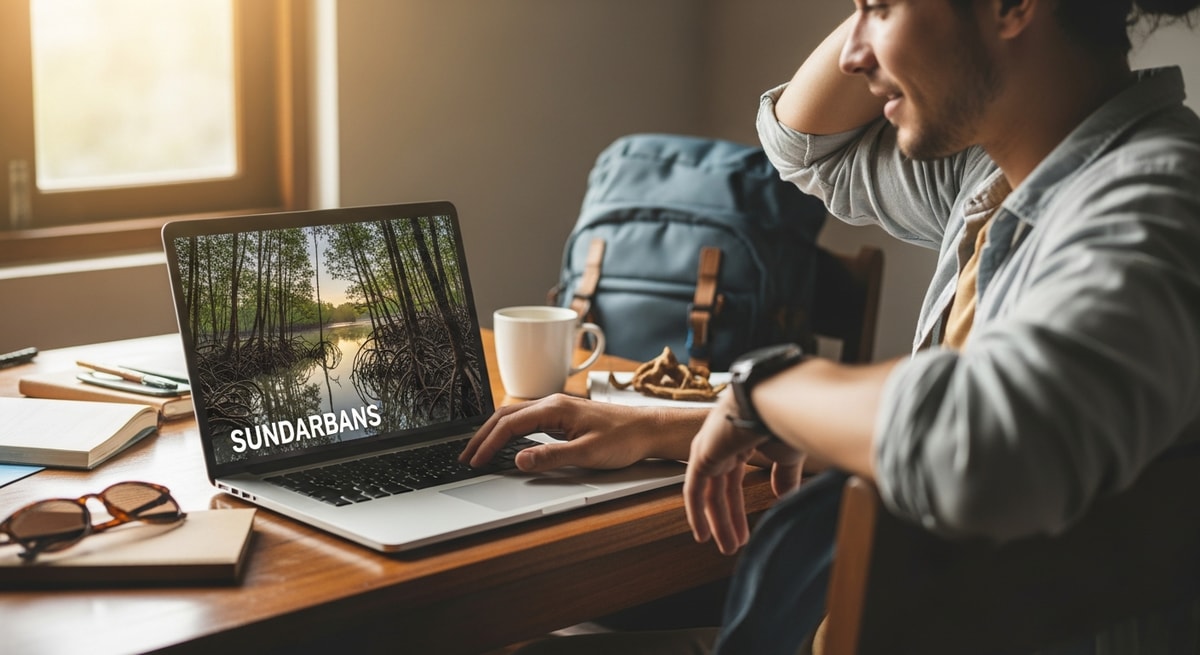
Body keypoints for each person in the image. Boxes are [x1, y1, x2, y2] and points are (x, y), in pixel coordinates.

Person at [461, 0, 1200, 652]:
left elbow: (989, 441)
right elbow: (799, 145)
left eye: (880, 7)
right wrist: (667, 424)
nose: (852, 51)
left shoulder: (1152, 205)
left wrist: (775, 383)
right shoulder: (1001, 176)